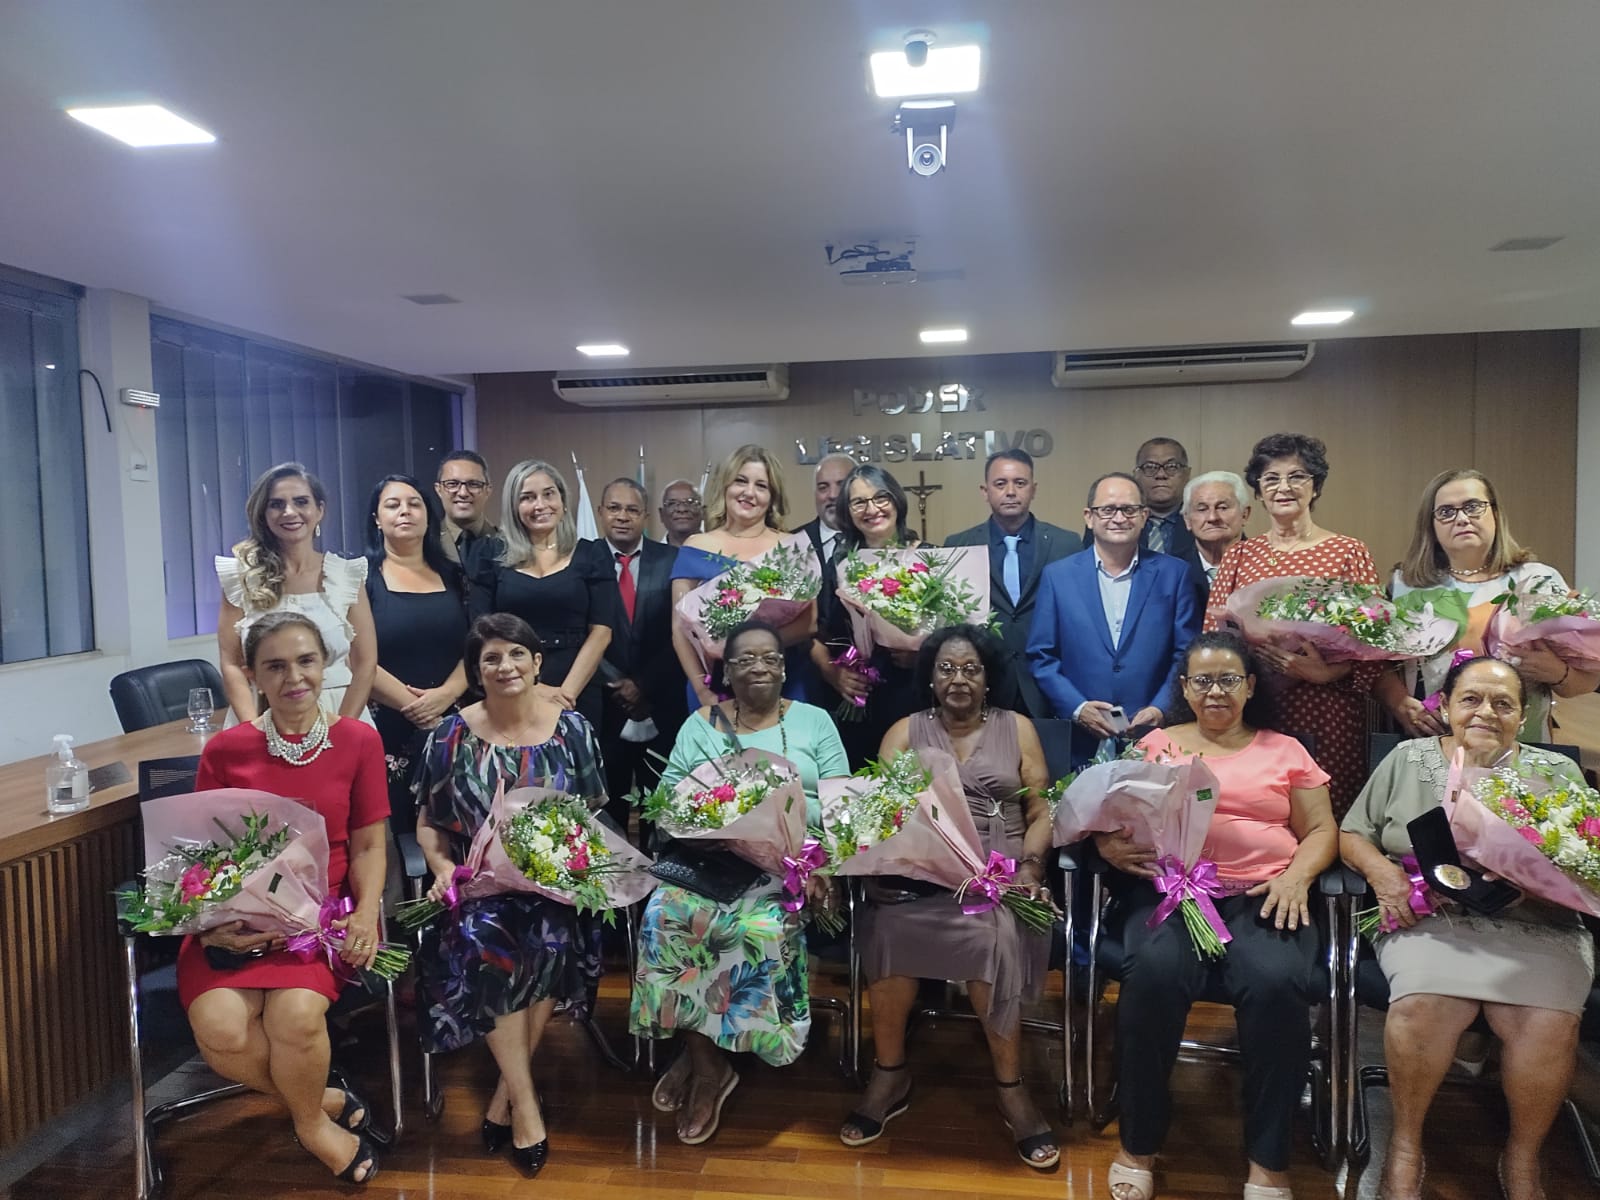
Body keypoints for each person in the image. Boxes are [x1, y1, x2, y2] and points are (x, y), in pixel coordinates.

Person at [1341, 656, 1594, 1200]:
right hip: (1430, 917)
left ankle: (1523, 1159)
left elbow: (1584, 860)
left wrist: (1537, 883)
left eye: (1503, 703)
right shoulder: (1407, 759)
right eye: (1471, 699)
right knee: (1425, 1006)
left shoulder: (1556, 772)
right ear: (1446, 705)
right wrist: (1384, 875)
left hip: (1537, 925)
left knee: (1548, 1023)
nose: (1486, 712)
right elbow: (1353, 833)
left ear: (1522, 715)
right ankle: (1405, 1147)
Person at [1098, 630, 1335, 1200]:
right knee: (1152, 977)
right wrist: (1105, 844)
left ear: (1250, 686)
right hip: (1172, 892)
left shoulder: (1285, 750)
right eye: (1202, 680)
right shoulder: (1156, 745)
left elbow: (1323, 829)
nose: (1215, 691)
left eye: (1228, 679)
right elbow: (1110, 814)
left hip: (1263, 893)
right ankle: (1138, 1145)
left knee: (1277, 984)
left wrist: (1297, 877)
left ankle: (1268, 1161)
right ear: (1184, 688)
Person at [180, 610, 389, 1185]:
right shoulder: (227, 750)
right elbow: (201, 855)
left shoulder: (358, 741)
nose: (294, 677)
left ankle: (312, 1127)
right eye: (275, 666)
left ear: (326, 664)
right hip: (237, 921)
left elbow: (370, 843)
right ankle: (318, 1103)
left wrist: (367, 914)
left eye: (306, 661)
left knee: (295, 1018)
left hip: (320, 919)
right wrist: (209, 924)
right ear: (252, 675)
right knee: (222, 1030)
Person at [840, 625, 1059, 1169]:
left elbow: (1040, 811)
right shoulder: (904, 731)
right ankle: (890, 1073)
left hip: (998, 877)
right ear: (931, 678)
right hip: (922, 874)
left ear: (988, 678)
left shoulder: (1018, 728)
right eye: (946, 669)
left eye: (970, 669)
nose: (958, 678)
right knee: (888, 930)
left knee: (991, 938)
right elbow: (876, 813)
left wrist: (1031, 866)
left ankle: (1011, 1086)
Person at [631, 620, 848, 1144]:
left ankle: (711, 1050)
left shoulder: (815, 721)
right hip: (710, 863)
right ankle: (708, 1065)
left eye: (769, 658)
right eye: (745, 659)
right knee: (666, 918)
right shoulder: (700, 724)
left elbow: (843, 803)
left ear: (784, 667)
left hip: (789, 866)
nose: (759, 667)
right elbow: (666, 801)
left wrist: (823, 863)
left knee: (757, 928)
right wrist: (702, 830)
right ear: (725, 672)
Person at [413, 614, 609, 1176]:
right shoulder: (449, 736)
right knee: (487, 943)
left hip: (554, 885)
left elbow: (592, 811)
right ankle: (526, 1106)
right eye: (491, 659)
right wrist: (443, 868)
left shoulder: (574, 731)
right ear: (476, 673)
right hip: (480, 886)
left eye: (517, 654)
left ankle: (506, 1096)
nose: (506, 666)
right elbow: (428, 823)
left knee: (552, 939)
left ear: (538, 662)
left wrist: (571, 862)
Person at [1204, 433, 1381, 818]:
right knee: (1258, 814)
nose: (1283, 487)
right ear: (1258, 492)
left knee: (1322, 817)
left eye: (1297, 476)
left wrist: (1326, 673)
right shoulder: (1239, 555)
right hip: (1254, 709)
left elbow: (1376, 642)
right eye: (1271, 478)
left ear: (1315, 486)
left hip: (1326, 708)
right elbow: (1213, 639)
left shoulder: (1348, 551)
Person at [1375, 468, 1600, 741]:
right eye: (1446, 512)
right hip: (1429, 741)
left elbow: (1587, 680)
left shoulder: (1537, 581)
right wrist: (1398, 702)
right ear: (1431, 525)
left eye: (1473, 507)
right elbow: (1374, 666)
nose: (1461, 519)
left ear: (1495, 514)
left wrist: (1558, 673)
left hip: (1518, 744)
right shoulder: (1406, 585)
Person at [1028, 472, 1201, 766]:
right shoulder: (1058, 577)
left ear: (1144, 516)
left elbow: (1185, 654)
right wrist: (1078, 707)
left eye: (1129, 509)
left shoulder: (1174, 574)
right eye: (1108, 509)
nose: (1119, 518)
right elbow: (1041, 656)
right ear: (1089, 517)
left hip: (1153, 734)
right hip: (1080, 739)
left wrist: (1161, 707)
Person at [216, 462, 376, 726]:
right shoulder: (241, 575)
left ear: (319, 510)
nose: (289, 512)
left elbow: (366, 663)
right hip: (261, 714)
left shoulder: (346, 575)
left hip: (338, 710)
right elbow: (231, 663)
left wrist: (343, 728)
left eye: (301, 502)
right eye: (276, 504)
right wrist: (254, 729)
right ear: (263, 514)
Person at [468, 459, 615, 730]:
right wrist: (533, 688)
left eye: (549, 494)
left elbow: (602, 631)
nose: (540, 505)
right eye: (527, 497)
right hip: (511, 680)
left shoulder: (593, 553)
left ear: (563, 500)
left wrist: (566, 694)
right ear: (513, 506)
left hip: (578, 687)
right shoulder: (490, 554)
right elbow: (481, 629)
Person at [670, 445, 816, 708]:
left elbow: (810, 623)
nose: (749, 492)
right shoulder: (695, 546)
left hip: (783, 682)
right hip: (714, 686)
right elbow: (679, 629)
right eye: (740, 481)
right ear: (726, 486)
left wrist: (748, 648)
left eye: (761, 486)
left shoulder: (791, 548)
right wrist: (701, 689)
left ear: (772, 497)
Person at [363, 474, 469, 828]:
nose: (404, 511)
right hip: (387, 725)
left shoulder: (457, 577)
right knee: (397, 830)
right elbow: (354, 654)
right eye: (392, 505)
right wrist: (417, 707)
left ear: (428, 516)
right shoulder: (360, 578)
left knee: (458, 828)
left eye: (414, 504)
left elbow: (478, 644)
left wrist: (446, 696)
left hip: (454, 721)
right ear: (377, 519)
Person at [809, 463, 929, 767]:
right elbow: (813, 633)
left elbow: (957, 634)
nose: (872, 509)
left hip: (920, 695)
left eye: (880, 498)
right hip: (861, 699)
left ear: (896, 500)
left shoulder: (929, 558)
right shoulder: (838, 566)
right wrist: (834, 674)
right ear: (848, 512)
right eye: (859, 502)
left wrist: (923, 653)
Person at [946, 448, 1081, 716]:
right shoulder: (958, 545)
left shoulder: (1066, 544)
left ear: (1033, 489)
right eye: (1000, 484)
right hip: (985, 683)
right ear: (985, 491)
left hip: (1050, 685)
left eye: (1020, 483)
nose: (1010, 491)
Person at [588, 477, 686, 831]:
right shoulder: (583, 559)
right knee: (606, 813)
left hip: (661, 702)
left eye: (632, 509)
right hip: (602, 705)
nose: (622, 516)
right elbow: (579, 630)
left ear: (646, 516)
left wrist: (642, 684)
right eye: (614, 508)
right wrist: (616, 682)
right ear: (600, 512)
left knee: (662, 811)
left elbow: (682, 630)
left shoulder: (672, 559)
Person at [434, 450, 502, 573]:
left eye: (474, 484)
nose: (463, 493)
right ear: (439, 490)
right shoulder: (424, 544)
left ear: (488, 490)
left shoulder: (508, 546)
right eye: (452, 484)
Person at [1183, 470, 1252, 588]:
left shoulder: (1266, 564)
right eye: (1202, 509)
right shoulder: (1173, 570)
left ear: (1244, 515)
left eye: (1222, 508)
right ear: (1187, 520)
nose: (1213, 517)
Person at [1134, 437, 1197, 563]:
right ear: (1136, 474)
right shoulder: (1119, 522)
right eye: (1150, 467)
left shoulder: (1203, 522)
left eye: (1171, 467)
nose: (1161, 475)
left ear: (1187, 473)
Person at [659, 479, 704, 548]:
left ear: (703, 511)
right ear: (662, 514)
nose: (682, 509)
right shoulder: (650, 553)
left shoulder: (717, 549)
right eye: (672, 503)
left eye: (690, 502)